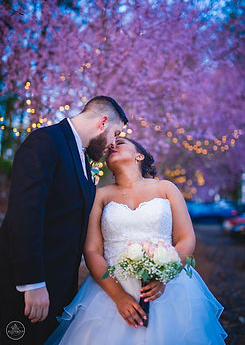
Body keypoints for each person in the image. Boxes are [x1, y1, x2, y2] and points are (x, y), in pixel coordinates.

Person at [44, 136, 228, 345]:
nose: (112, 146)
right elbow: (92, 250)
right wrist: (119, 297)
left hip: (167, 289)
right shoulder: (99, 195)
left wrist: (165, 275)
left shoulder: (166, 188)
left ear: (139, 156)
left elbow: (186, 238)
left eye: (120, 143)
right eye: (109, 148)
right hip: (110, 288)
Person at [0, 96, 128, 345]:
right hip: (25, 292)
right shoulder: (46, 142)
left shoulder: (83, 159)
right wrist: (32, 283)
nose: (114, 143)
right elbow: (25, 214)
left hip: (58, 289)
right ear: (102, 121)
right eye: (115, 133)